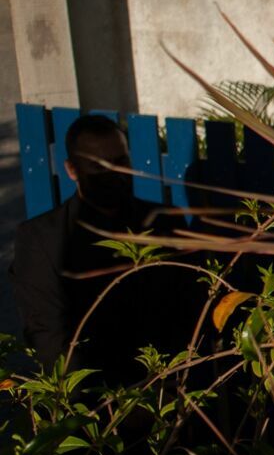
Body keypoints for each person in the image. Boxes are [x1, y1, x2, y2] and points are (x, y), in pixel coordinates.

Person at [11, 114, 189, 383]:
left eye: (121, 162)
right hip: (95, 406)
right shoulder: (41, 239)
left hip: (171, 389)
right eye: (98, 166)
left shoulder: (165, 221)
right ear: (72, 170)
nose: (114, 175)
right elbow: (48, 335)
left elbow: (189, 308)